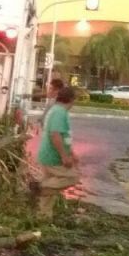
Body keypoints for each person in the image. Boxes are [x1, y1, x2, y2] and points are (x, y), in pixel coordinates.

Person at [35, 85, 80, 216]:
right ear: (71, 99)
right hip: (52, 157)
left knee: (50, 193)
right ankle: (39, 187)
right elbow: (55, 135)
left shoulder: (55, 110)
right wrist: (64, 156)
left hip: (47, 155)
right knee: (72, 177)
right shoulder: (59, 112)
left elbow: (64, 137)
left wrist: (72, 153)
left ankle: (43, 216)